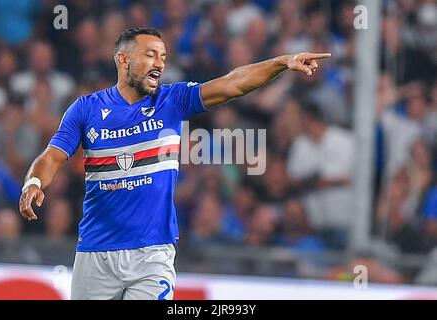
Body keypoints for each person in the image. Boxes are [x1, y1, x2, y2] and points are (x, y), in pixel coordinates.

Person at [18, 27, 331, 300]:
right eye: (150, 54)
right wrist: (34, 182)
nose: (160, 63)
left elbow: (232, 84)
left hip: (152, 255)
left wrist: (281, 62)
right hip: (95, 253)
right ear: (123, 60)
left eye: (163, 56)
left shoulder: (173, 100)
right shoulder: (86, 109)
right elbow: (53, 155)